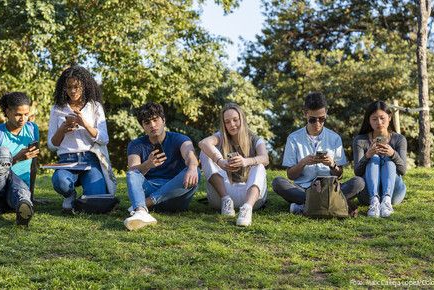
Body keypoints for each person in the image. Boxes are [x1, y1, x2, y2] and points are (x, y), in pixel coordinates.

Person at [272, 92, 364, 214]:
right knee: (278, 182)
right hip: (303, 189)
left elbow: (339, 174)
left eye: (322, 119)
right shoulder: (293, 138)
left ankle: (305, 207)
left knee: (359, 182)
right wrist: (302, 163)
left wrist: (332, 165)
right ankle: (333, 204)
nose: (318, 124)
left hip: (330, 188)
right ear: (305, 114)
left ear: (326, 113)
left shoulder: (334, 138)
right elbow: (290, 176)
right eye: (313, 120)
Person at [47, 66, 117, 211]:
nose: (72, 91)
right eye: (68, 87)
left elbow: (104, 139)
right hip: (66, 160)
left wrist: (84, 123)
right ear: (63, 88)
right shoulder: (57, 108)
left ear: (84, 86)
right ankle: (70, 195)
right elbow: (52, 145)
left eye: (76, 87)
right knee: (61, 182)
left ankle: (84, 199)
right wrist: (62, 130)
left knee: (96, 197)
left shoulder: (94, 106)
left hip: (90, 159)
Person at [123, 102, 200, 231]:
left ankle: (143, 204)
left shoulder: (180, 138)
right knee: (132, 173)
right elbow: (133, 170)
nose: (152, 125)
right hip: (150, 188)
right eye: (147, 122)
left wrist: (192, 167)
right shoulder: (136, 144)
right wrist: (148, 164)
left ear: (163, 120)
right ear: (143, 126)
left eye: (155, 120)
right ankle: (141, 211)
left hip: (176, 194)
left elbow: (190, 155)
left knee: (195, 170)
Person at [198, 103, 268, 227]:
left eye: (235, 120)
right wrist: (221, 161)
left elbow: (265, 158)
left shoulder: (255, 139)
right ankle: (226, 201)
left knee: (259, 165)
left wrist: (246, 161)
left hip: (250, 196)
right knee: (205, 152)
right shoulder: (220, 136)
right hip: (223, 196)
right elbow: (203, 143)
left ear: (242, 119)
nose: (232, 125)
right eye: (227, 122)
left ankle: (246, 210)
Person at [0, 92, 39, 225]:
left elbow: (33, 166)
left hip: (19, 187)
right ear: (7, 112)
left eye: (26, 114)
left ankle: (24, 206)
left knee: (21, 193)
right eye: (18, 114)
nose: (23, 119)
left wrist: (32, 195)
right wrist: (17, 158)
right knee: (3, 152)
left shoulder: (32, 129)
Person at [353, 101, 407, 218]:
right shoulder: (360, 140)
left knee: (389, 162)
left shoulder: (399, 139)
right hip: (367, 194)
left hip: (394, 192)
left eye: (382, 118)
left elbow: (403, 170)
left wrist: (393, 154)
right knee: (374, 159)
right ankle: (375, 202)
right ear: (369, 120)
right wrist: (368, 155)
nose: (379, 122)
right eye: (374, 119)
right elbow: (357, 172)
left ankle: (386, 201)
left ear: (390, 117)